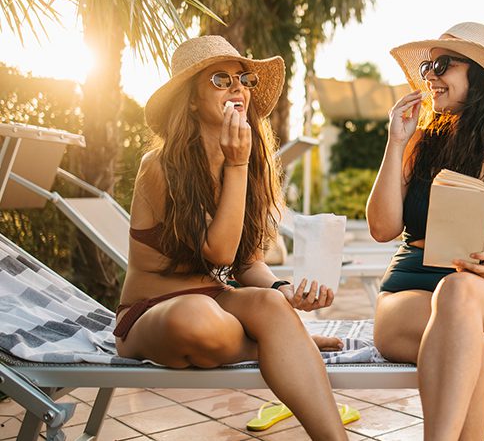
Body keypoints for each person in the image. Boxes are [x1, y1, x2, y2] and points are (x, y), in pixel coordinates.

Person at [113, 35, 348, 440]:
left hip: (219, 300)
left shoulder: (253, 166)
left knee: (272, 304)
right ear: (189, 100)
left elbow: (246, 264)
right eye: (220, 79)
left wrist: (284, 290)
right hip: (152, 311)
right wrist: (236, 165)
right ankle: (280, 347)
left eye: (244, 79)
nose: (238, 87)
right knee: (196, 318)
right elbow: (218, 251)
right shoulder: (160, 165)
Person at [367, 22, 484, 440]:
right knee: (473, 350)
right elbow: (382, 229)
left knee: (458, 290)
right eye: (428, 66)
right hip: (407, 294)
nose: (430, 76)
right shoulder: (419, 143)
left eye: (442, 65)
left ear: (481, 76)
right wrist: (395, 143)